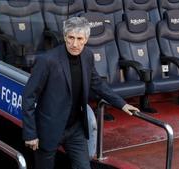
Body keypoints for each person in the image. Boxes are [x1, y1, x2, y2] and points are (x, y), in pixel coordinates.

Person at [22, 17, 140, 169]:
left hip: (75, 128)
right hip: (49, 128)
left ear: (86, 39)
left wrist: (122, 104)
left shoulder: (87, 56)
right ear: (65, 37)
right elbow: (28, 96)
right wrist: (30, 134)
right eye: (71, 38)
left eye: (79, 38)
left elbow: (97, 83)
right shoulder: (47, 60)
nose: (75, 44)